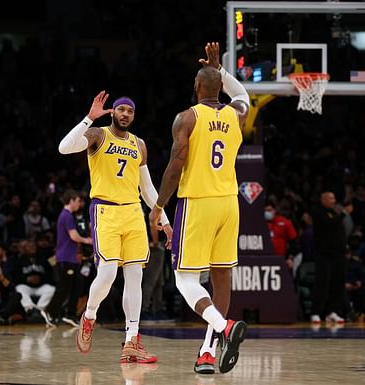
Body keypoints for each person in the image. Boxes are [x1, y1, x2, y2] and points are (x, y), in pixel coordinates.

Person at [149, 42, 248, 374]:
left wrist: (159, 205)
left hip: (198, 202)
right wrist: (221, 69)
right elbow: (244, 94)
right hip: (229, 204)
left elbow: (175, 167)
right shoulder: (236, 114)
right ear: (219, 86)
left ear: (196, 87)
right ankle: (207, 352)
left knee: (184, 280)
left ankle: (223, 328)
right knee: (221, 277)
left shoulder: (187, 117)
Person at [58, 90, 173, 363]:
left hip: (133, 213)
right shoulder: (98, 135)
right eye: (121, 109)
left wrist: (165, 221)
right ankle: (89, 316)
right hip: (105, 211)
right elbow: (64, 147)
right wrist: (88, 118)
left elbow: (147, 188)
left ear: (134, 116)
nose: (125, 114)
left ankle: (132, 340)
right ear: (113, 112)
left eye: (130, 111)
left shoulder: (139, 144)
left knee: (135, 279)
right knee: (108, 274)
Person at [40, 189, 92, 327]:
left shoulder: (69, 215)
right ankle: (49, 311)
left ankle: (70, 314)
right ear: (72, 200)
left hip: (71, 258)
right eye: (77, 201)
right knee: (64, 287)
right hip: (65, 258)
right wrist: (88, 240)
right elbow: (73, 236)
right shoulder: (66, 215)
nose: (79, 204)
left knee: (77, 285)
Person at [309, 191, 353, 324]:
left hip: (339, 254)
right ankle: (316, 312)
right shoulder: (318, 212)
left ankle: (332, 311)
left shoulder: (334, 212)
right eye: (330, 198)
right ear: (323, 199)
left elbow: (340, 230)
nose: (333, 201)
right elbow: (329, 225)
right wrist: (344, 213)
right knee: (322, 283)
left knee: (338, 284)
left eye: (334, 198)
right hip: (324, 254)